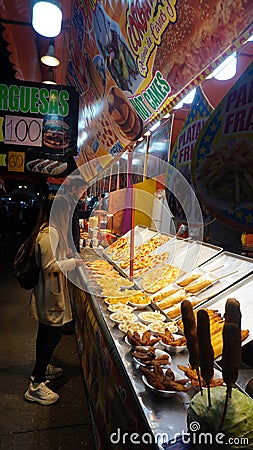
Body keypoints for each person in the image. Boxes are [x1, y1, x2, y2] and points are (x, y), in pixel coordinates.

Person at [24, 195, 84, 405]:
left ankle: (43, 366)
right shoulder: (50, 234)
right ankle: (36, 384)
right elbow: (50, 265)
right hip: (50, 294)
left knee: (46, 334)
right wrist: (73, 262)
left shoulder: (50, 231)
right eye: (66, 211)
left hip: (49, 292)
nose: (68, 216)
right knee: (52, 336)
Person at [65, 177, 87, 254]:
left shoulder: (73, 202)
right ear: (74, 189)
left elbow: (77, 215)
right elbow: (65, 227)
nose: (83, 194)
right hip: (69, 247)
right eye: (82, 190)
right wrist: (68, 247)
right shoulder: (66, 203)